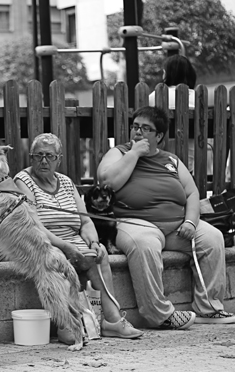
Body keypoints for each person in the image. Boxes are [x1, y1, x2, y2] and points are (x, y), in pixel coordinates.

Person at [97, 106, 235, 329]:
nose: (138, 132)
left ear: (159, 136)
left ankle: (209, 308)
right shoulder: (119, 153)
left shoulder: (171, 160)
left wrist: (190, 221)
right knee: (144, 244)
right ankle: (160, 316)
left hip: (176, 225)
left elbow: (192, 193)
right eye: (135, 127)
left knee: (212, 238)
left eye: (146, 128)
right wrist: (135, 153)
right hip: (134, 221)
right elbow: (107, 182)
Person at [13, 134, 143, 340]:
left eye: (50, 156)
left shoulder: (65, 182)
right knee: (69, 259)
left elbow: (85, 221)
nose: (44, 161)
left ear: (59, 159)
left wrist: (93, 242)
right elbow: (34, 226)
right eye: (38, 155)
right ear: (31, 157)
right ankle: (70, 324)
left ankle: (111, 321)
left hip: (73, 241)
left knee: (99, 254)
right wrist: (65, 246)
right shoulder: (23, 181)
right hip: (42, 242)